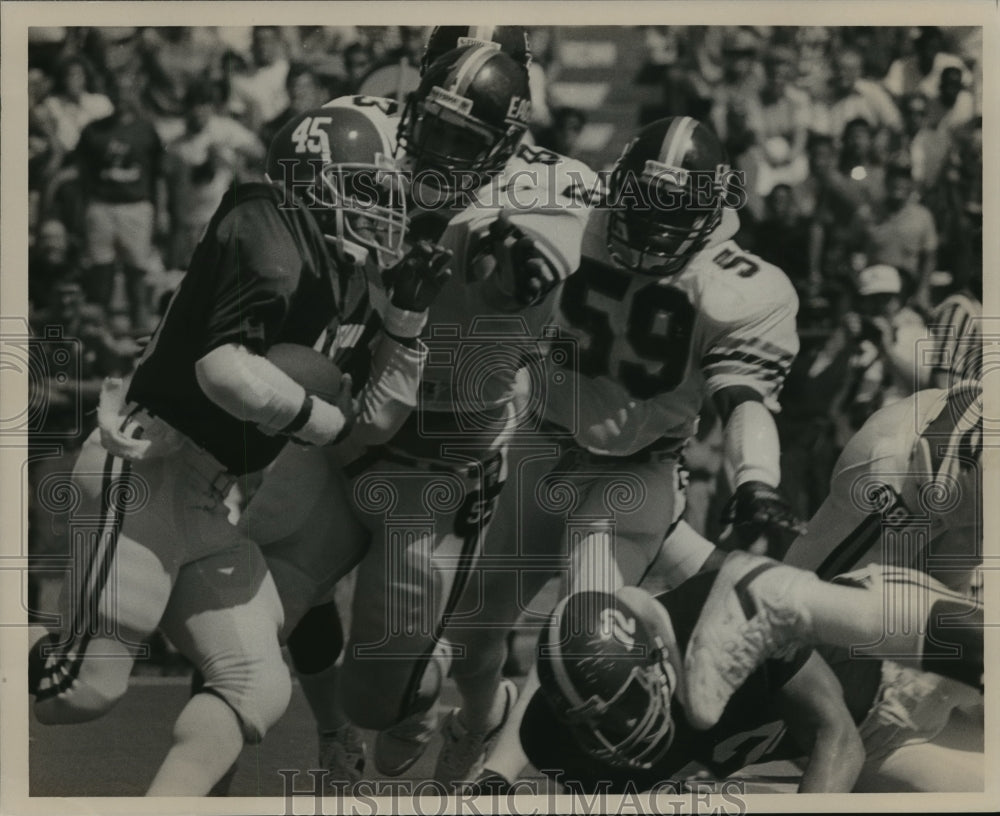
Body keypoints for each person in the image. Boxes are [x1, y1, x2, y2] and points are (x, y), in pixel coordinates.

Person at [27, 105, 440, 797]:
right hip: (146, 471)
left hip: (208, 497)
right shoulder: (265, 220)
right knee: (83, 692)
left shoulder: (349, 277)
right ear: (310, 181)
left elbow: (376, 419)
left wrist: (404, 326)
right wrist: (325, 425)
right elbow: (223, 371)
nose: (379, 207)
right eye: (364, 188)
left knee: (257, 681)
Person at [244, 35, 588, 786]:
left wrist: (504, 271)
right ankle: (319, 740)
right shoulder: (367, 130)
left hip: (436, 469)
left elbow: (529, 275)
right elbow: (292, 179)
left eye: (461, 141)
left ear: (505, 142)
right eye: (429, 127)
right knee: (251, 610)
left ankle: (442, 705)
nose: (435, 150)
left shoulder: (551, 188)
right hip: (347, 420)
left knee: (386, 698)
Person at [447, 115, 804, 788]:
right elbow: (468, 223)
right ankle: (473, 723)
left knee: (581, 636)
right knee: (472, 631)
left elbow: (743, 400)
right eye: (642, 201)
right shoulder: (569, 211)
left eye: (673, 208)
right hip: (540, 443)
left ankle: (492, 782)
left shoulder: (737, 285)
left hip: (637, 471)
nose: (650, 223)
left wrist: (756, 483)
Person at [524, 558, 982, 793]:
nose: (622, 728)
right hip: (864, 748)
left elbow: (835, 732)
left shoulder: (717, 621)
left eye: (628, 702)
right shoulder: (554, 743)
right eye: (598, 723)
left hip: (892, 657)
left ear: (657, 655)